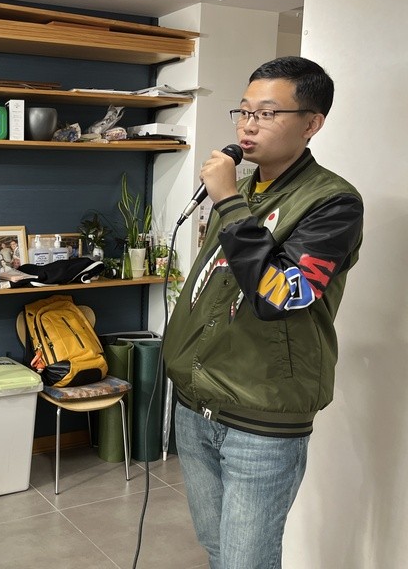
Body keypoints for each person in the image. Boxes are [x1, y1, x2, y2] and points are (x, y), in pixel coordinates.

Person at [162, 56, 363, 569]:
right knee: (216, 549)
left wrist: (228, 202)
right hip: (196, 404)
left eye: (268, 113)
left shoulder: (333, 202)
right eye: (244, 111)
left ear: (312, 123)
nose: (248, 125)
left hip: (261, 418)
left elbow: (280, 295)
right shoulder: (246, 189)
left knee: (245, 561)